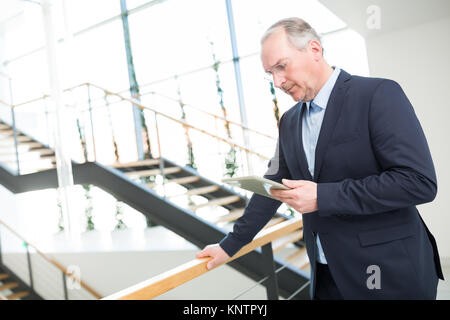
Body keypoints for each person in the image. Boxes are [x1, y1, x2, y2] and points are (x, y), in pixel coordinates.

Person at [196, 17, 444, 300]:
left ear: (314, 49)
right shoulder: (289, 121)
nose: (277, 82)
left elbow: (417, 182)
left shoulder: (377, 94)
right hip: (327, 275)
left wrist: (323, 197)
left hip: (389, 273)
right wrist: (231, 244)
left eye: (281, 66)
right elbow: (273, 185)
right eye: (270, 73)